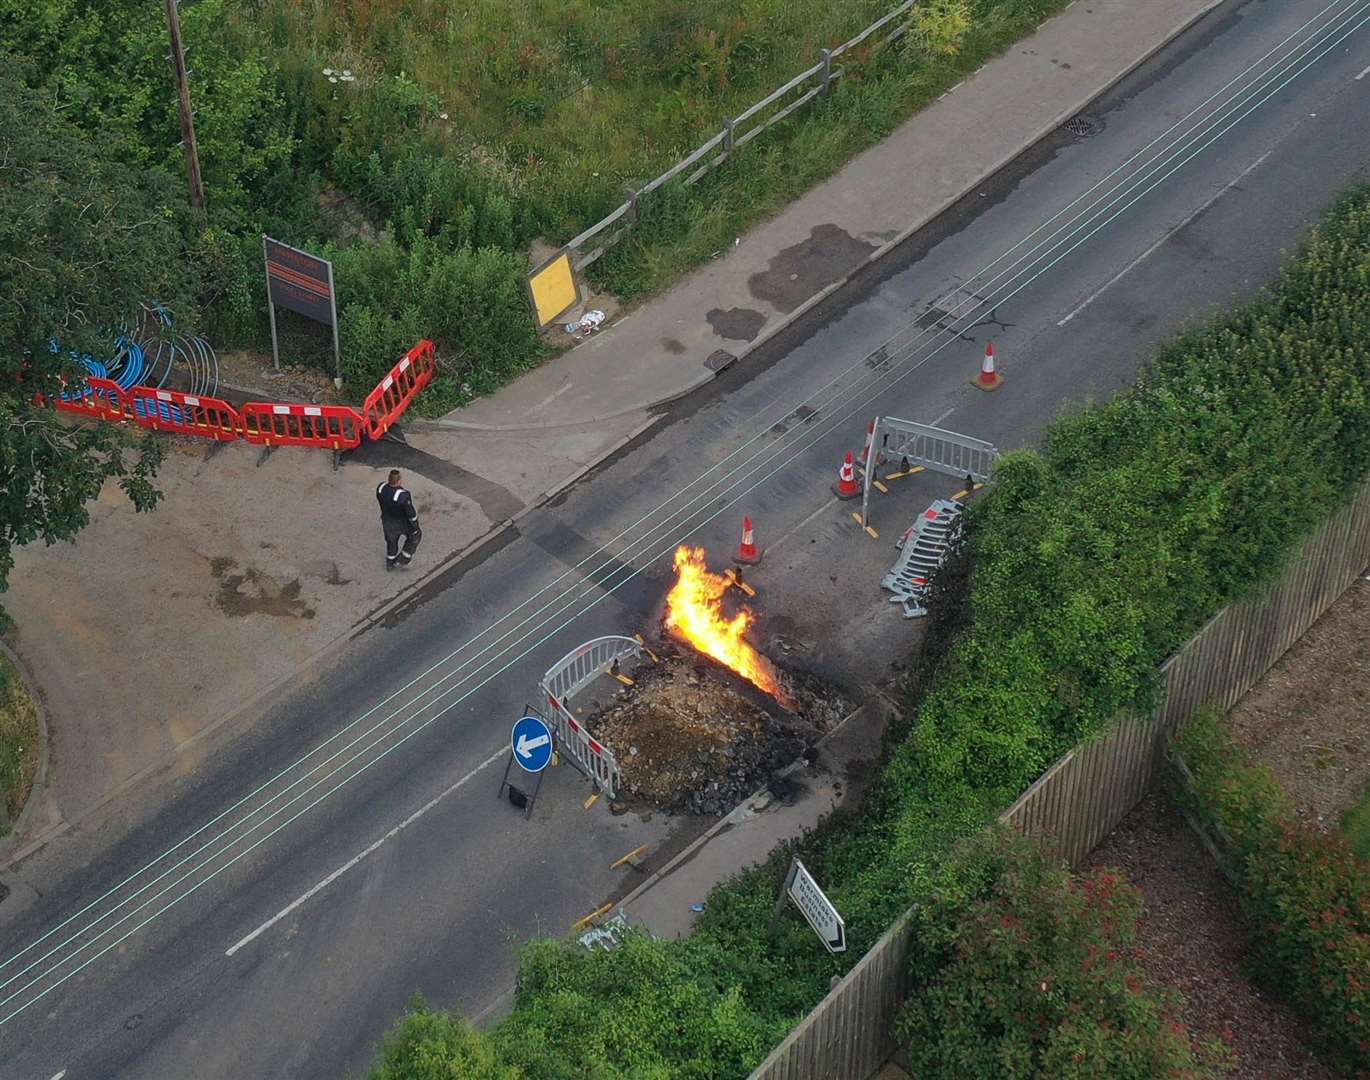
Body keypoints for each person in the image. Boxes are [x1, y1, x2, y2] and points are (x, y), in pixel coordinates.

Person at [376, 469, 421, 570]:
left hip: (387, 521)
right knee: (415, 536)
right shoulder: (402, 496)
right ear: (399, 481)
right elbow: (411, 514)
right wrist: (415, 526)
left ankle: (390, 563)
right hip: (402, 523)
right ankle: (402, 560)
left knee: (391, 542)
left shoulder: (380, 488)